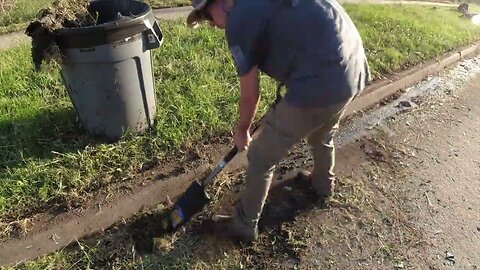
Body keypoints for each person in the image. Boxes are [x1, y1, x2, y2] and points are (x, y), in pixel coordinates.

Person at [186, 0, 371, 243]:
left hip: (322, 81)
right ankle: (323, 184)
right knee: (323, 131)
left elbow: (250, 95)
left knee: (261, 157)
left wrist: (242, 129)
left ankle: (243, 226)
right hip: (353, 67)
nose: (212, 26)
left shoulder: (239, 19)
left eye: (208, 18)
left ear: (220, 3)